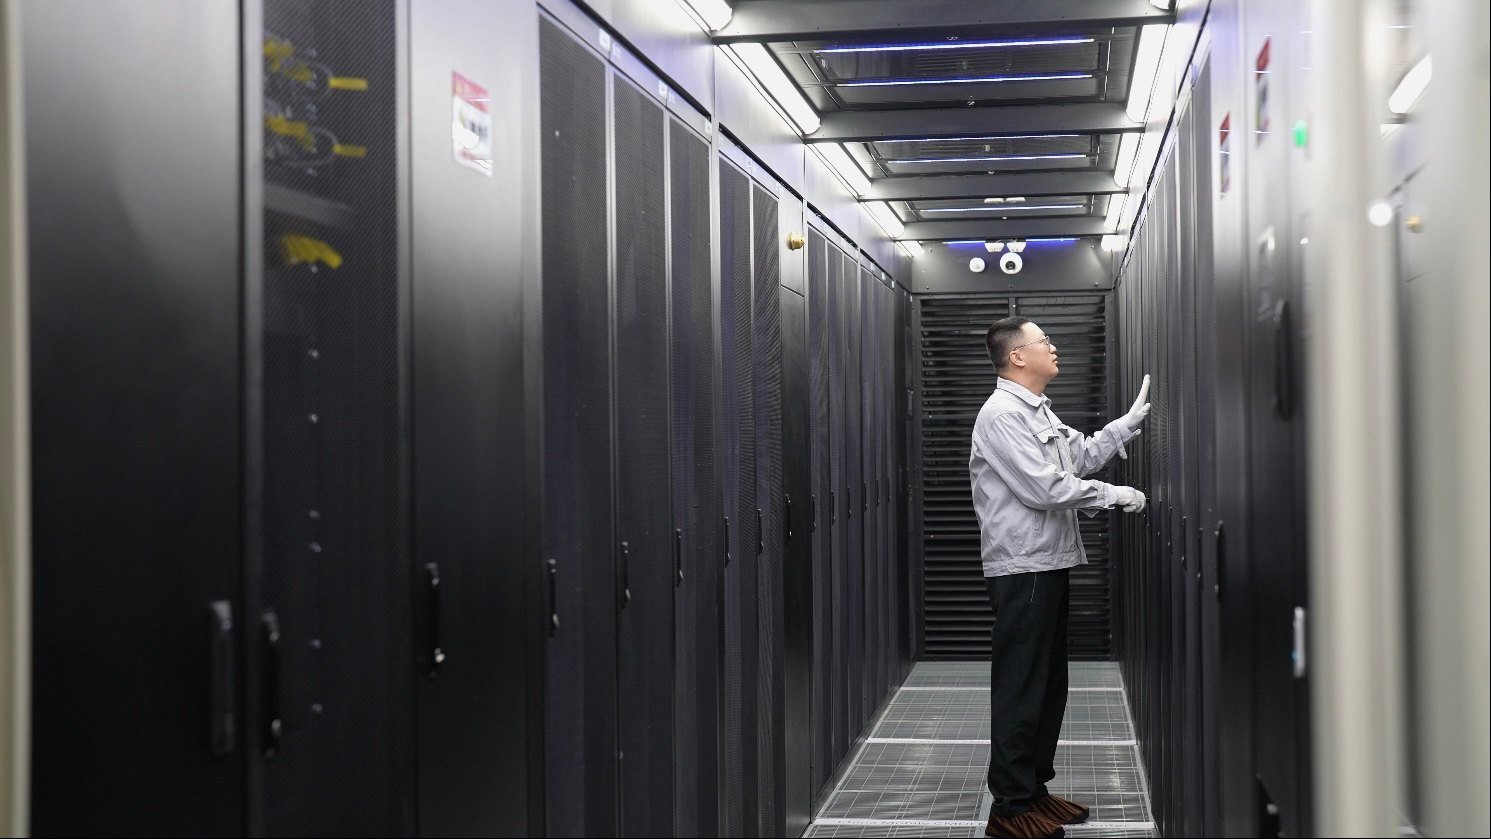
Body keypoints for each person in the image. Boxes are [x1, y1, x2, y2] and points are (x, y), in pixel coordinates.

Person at [970, 317, 1151, 839]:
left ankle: (1033, 792)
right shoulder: (1002, 415)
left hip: (1047, 561)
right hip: (1022, 566)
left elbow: (1079, 457)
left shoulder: (1036, 409)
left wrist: (1123, 426)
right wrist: (1115, 495)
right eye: (1044, 341)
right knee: (1021, 686)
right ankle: (1010, 809)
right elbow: (1045, 488)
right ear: (1017, 356)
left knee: (1047, 685)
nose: (1053, 347)